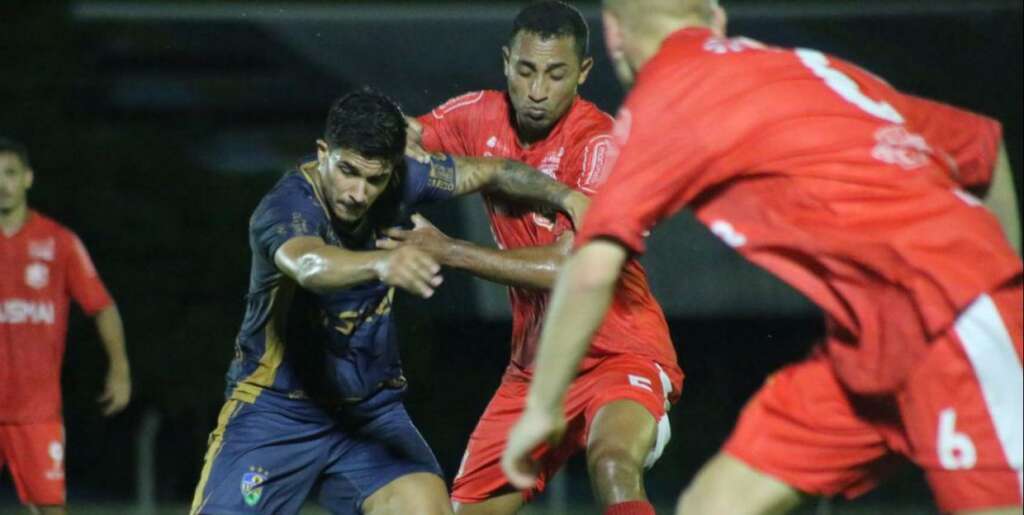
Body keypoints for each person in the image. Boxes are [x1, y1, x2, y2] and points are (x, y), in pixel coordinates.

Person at [501, 1, 1023, 514]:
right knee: (714, 505)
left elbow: (592, 268)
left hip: (954, 321)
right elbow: (983, 148)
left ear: (613, 35)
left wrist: (543, 407)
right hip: (869, 350)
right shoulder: (808, 68)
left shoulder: (668, 94)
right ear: (717, 18)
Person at [188, 89, 587, 515]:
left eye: (374, 178)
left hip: (369, 415)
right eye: (347, 171)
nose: (358, 192)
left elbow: (495, 172)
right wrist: (381, 264)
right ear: (323, 152)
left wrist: (567, 197)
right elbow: (310, 264)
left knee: (426, 509)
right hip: (276, 413)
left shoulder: (403, 182)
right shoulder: (286, 208)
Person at [395, 3, 681, 514]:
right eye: (526, 70)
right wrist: (382, 136)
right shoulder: (478, 115)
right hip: (534, 368)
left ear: (583, 73)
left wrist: (449, 251)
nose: (537, 90)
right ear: (507, 62)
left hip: (619, 352)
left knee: (613, 464)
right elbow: (408, 138)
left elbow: (571, 269)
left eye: (556, 73)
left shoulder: (599, 145)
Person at [0, 137, 132, 515]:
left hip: (35, 410)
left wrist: (119, 368)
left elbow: (102, 307)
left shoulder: (58, 242)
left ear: (27, 178)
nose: (2, 183)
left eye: (10, 173)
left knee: (50, 509)